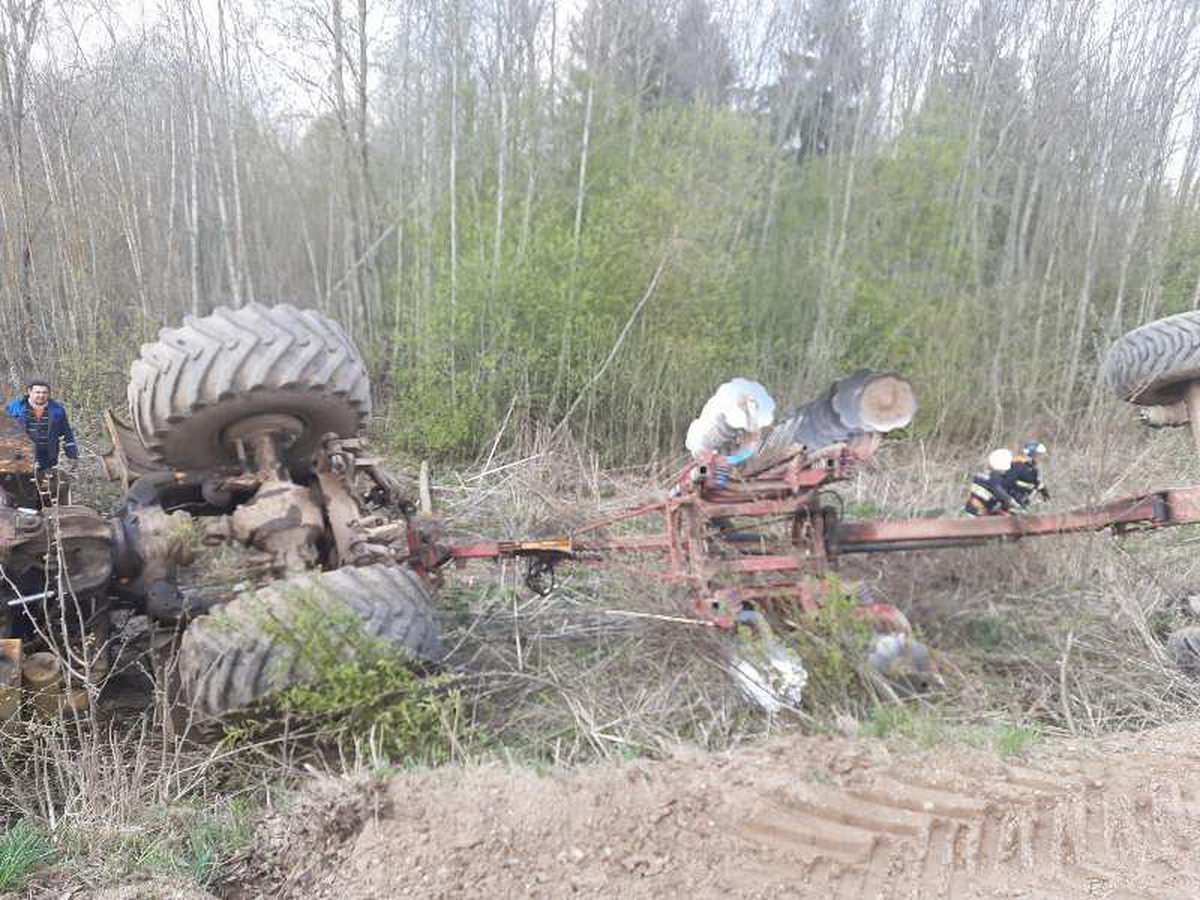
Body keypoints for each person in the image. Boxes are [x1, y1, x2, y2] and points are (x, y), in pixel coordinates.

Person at [6, 380, 78, 473]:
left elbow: (67, 434)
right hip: (19, 457)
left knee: (43, 485)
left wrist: (72, 455)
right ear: (30, 392)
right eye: (38, 392)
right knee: (18, 484)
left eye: (44, 392)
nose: (41, 395)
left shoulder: (57, 411)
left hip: (47, 457)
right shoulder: (15, 407)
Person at [963, 448, 1022, 516]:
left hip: (970, 509)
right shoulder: (996, 478)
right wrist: (1012, 502)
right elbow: (1000, 493)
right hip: (981, 513)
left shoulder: (981, 475)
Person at [1001, 440, 1049, 507]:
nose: (1040, 457)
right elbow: (1009, 483)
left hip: (1023, 498)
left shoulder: (1031, 467)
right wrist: (1028, 488)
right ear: (1032, 454)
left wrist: (1046, 495)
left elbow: (1036, 482)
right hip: (1013, 499)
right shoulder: (1018, 464)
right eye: (1038, 454)